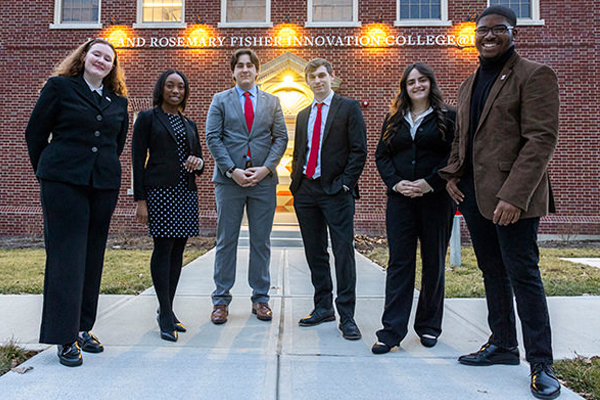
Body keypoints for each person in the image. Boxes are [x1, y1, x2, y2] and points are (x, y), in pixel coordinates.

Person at [438, 6, 560, 399]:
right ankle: (503, 344)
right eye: (482, 30)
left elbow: (540, 140)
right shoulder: (468, 83)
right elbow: (463, 139)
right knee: (492, 271)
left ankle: (541, 363)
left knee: (523, 275)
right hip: (475, 194)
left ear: (513, 34)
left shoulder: (535, 75)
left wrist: (513, 196)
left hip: (513, 200)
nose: (489, 36)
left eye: (498, 30)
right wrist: (453, 176)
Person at [25, 38, 129, 367]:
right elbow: (35, 134)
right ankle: (64, 335)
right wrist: (49, 172)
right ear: (84, 57)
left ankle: (83, 328)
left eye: (108, 58)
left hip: (102, 186)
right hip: (63, 184)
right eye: (96, 54)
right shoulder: (60, 87)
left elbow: (117, 143)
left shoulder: (118, 101)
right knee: (66, 258)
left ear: (112, 67)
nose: (101, 61)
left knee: (92, 257)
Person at [372, 63, 456, 354]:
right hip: (400, 202)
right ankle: (391, 331)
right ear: (404, 88)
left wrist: (430, 182)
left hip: (435, 200)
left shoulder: (448, 117)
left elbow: (453, 155)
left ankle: (429, 327)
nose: (417, 86)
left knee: (433, 261)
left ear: (430, 84)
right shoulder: (394, 118)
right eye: (411, 82)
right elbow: (382, 156)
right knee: (399, 263)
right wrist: (396, 183)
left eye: (422, 80)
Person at [206, 48, 288, 324]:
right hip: (229, 182)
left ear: (256, 70)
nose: (244, 69)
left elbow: (281, 138)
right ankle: (220, 300)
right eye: (239, 65)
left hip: (263, 182)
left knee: (261, 241)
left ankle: (261, 298)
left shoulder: (272, 101)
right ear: (233, 71)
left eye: (249, 65)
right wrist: (232, 170)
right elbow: (213, 138)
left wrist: (266, 169)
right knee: (226, 240)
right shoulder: (220, 100)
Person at [290, 58, 367, 340]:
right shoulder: (302, 115)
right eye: (312, 77)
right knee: (315, 252)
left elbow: (359, 150)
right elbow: (301, 152)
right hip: (306, 192)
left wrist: (346, 184)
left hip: (336, 192)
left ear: (332, 77)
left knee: (343, 252)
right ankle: (323, 306)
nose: (317, 81)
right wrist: (296, 182)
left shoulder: (348, 108)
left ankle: (347, 316)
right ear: (307, 82)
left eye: (322, 75)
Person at [132, 69, 204, 342]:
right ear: (161, 88)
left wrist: (200, 163)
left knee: (178, 253)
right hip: (159, 193)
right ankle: (164, 315)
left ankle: (168, 309)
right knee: (163, 250)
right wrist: (141, 200)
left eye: (181, 87)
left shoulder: (190, 124)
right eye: (170, 86)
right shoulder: (148, 119)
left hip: (185, 193)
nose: (176, 91)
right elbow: (138, 160)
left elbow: (197, 160)